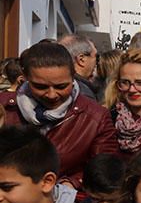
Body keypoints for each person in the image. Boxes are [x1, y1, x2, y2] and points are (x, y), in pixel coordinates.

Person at [1, 41, 117, 192]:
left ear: (73, 76)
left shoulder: (95, 117)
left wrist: (73, 183)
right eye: (40, 87)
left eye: (61, 86)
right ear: (25, 78)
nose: (51, 95)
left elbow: (104, 170)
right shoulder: (4, 107)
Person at [58, 34, 100, 101]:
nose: (97, 62)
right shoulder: (83, 95)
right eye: (96, 57)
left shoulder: (56, 83)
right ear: (81, 59)